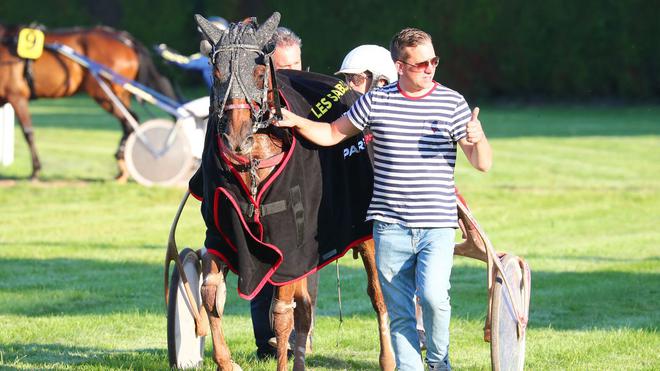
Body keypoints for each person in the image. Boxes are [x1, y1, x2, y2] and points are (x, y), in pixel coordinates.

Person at [275, 28, 492, 370]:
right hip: (389, 227)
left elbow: (482, 163)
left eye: (434, 60)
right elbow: (332, 134)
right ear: (400, 66)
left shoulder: (452, 103)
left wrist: (477, 139)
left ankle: (439, 362)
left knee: (435, 298)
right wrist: (295, 120)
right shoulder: (376, 101)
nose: (430, 67)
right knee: (401, 314)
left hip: (435, 224)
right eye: (421, 63)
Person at [249, 25, 310, 361]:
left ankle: (301, 340)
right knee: (262, 267)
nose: (291, 75)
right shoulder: (251, 105)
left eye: (295, 66)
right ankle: (265, 347)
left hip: (302, 200)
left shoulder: (310, 97)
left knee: (303, 267)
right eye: (282, 69)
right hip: (265, 205)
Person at [155, 16, 230, 89]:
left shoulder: (214, 56)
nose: (203, 37)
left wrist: (164, 53)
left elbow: (187, 63)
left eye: (205, 34)